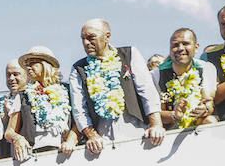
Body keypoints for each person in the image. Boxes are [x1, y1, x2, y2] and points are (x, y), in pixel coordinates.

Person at [67, 19, 164, 155]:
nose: (86, 43)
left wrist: (156, 125)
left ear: (107, 36)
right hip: (102, 145)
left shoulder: (130, 54)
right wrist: (92, 135)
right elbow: (79, 109)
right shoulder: (78, 68)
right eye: (83, 39)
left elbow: (147, 92)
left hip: (139, 135)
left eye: (91, 37)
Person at [4, 46, 78, 161]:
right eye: (27, 64)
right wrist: (18, 138)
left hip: (65, 154)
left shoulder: (67, 91)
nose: (28, 67)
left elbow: (78, 120)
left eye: (33, 63)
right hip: (34, 158)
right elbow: (9, 132)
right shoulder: (23, 95)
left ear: (46, 65)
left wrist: (71, 140)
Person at [154, 28, 218, 130]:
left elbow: (209, 102)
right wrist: (174, 115)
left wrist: (205, 109)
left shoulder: (206, 68)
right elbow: (153, 114)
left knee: (210, 120)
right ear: (170, 50)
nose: (180, 48)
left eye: (185, 43)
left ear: (196, 47)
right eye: (175, 45)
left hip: (197, 124)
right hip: (168, 130)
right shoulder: (156, 74)